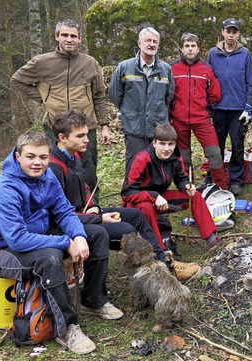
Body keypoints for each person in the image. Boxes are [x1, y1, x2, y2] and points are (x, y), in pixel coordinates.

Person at [0, 132, 121, 355]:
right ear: (18, 156)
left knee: (96, 233)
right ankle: (66, 327)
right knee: (49, 257)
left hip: (35, 237)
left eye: (43, 157)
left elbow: (64, 211)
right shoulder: (4, 189)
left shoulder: (47, 177)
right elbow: (16, 238)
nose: (37, 162)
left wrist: (77, 236)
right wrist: (65, 242)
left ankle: (94, 300)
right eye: (30, 156)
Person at [49, 110, 199, 280]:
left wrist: (93, 208)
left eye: (86, 134)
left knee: (137, 216)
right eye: (80, 136)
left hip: (85, 214)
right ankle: (156, 275)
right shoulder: (54, 167)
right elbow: (57, 215)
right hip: (70, 223)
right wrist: (97, 218)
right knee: (127, 230)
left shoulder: (73, 156)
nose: (87, 139)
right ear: (62, 137)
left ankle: (163, 259)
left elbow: (84, 188)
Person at [11, 19, 110, 196]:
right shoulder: (42, 62)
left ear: (80, 39)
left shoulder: (90, 63)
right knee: (55, 170)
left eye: (73, 36)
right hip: (54, 128)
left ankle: (91, 207)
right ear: (57, 37)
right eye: (64, 35)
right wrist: (44, 97)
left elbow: (99, 96)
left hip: (85, 128)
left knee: (88, 171)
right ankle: (59, 208)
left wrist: (105, 125)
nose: (69, 39)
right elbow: (17, 80)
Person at [122, 124, 223, 250]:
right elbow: (127, 193)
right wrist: (154, 197)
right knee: (146, 207)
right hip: (139, 201)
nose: (167, 148)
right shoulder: (142, 159)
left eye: (170, 144)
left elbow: (181, 178)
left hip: (162, 197)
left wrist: (186, 185)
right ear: (154, 143)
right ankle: (159, 249)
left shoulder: (175, 157)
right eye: (162, 144)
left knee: (195, 195)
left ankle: (211, 237)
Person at [109, 27, 175, 168]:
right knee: (135, 165)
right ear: (139, 43)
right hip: (134, 128)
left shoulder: (165, 69)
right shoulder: (124, 67)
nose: (151, 44)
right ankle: (133, 190)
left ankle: (154, 190)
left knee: (156, 166)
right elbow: (115, 94)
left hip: (157, 128)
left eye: (155, 41)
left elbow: (169, 97)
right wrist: (130, 111)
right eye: (148, 40)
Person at [205, 18, 252, 196]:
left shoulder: (245, 54)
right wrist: (207, 106)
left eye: (234, 32)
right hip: (218, 108)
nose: (231, 35)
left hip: (238, 109)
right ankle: (215, 177)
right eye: (228, 31)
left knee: (237, 144)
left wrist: (249, 107)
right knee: (215, 145)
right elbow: (207, 79)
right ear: (223, 32)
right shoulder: (213, 54)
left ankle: (236, 179)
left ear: (238, 35)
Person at [170, 32, 227, 190]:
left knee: (214, 153)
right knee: (183, 158)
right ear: (182, 49)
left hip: (201, 119)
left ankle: (220, 188)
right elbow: (167, 93)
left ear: (198, 49)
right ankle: (188, 190)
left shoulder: (206, 69)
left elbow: (215, 94)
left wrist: (204, 105)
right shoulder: (172, 69)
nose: (190, 49)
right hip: (179, 120)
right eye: (187, 46)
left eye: (193, 46)